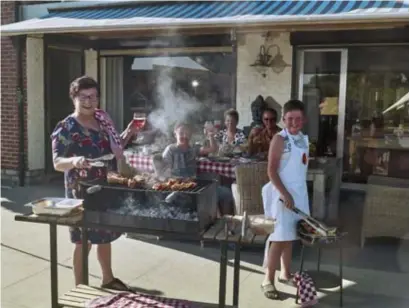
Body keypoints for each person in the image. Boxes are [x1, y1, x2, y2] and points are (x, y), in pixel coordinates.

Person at [51, 76, 139, 290]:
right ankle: (80, 287)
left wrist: (128, 133)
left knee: (104, 233)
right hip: (80, 192)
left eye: (93, 96)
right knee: (83, 240)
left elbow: (112, 150)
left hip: (104, 186)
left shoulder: (102, 121)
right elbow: (56, 162)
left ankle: (108, 279)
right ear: (74, 98)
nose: (89, 101)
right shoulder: (66, 127)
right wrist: (74, 160)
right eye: (83, 97)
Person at [261, 99, 310, 300]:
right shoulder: (279, 139)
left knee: (290, 237)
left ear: (304, 120)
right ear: (283, 119)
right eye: (290, 119)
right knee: (278, 239)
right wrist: (285, 194)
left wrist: (296, 196)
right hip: (282, 197)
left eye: (298, 118)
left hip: (298, 195)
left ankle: (285, 273)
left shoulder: (304, 139)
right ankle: (267, 279)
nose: (294, 122)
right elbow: (271, 171)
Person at [162, 123, 235, 215]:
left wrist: (211, 136)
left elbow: (213, 149)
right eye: (181, 133)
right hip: (177, 188)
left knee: (227, 193)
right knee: (172, 200)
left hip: (195, 186)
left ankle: (225, 222)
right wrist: (176, 181)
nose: (184, 136)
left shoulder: (193, 148)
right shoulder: (170, 150)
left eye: (187, 134)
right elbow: (164, 172)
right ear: (175, 134)